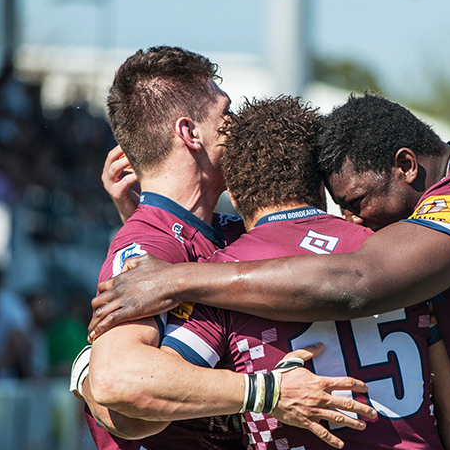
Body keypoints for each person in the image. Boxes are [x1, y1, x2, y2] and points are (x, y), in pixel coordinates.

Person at [93, 93, 450, 450]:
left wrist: (177, 279)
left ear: (406, 164)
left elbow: (356, 284)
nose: (354, 220)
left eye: (358, 201)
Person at [75, 46, 374, 450]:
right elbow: (119, 383)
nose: (237, 124)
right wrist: (269, 392)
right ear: (190, 133)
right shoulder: (146, 243)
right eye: (226, 113)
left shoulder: (227, 231)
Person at [153, 95, 450, 449]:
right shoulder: (398, 255)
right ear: (320, 184)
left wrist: (261, 393)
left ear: (234, 196)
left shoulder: (216, 279)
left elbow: (152, 389)